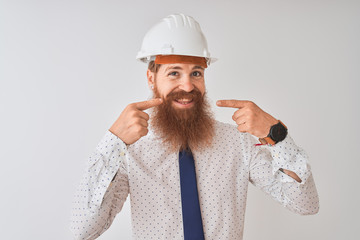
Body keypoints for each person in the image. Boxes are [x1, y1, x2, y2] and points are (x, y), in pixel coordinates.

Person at [70, 14, 319, 240]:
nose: (188, 86)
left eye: (196, 73)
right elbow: (82, 231)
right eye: (174, 73)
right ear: (151, 78)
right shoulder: (128, 152)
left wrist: (276, 135)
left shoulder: (238, 142)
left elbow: (305, 204)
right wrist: (113, 142)